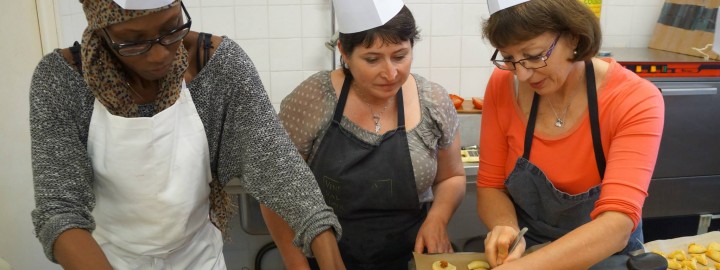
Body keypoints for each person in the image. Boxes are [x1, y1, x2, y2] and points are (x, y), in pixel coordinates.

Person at [28, 0, 345, 269]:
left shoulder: (217, 65)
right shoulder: (62, 80)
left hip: (200, 260)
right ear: (101, 31)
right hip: (104, 260)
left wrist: (325, 246)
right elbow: (59, 212)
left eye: (171, 28)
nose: (158, 55)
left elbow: (276, 164)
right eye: (133, 40)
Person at [259, 0, 467, 269]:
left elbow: (452, 176)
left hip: (411, 258)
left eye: (400, 56)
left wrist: (438, 217)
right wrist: (297, 266)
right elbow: (277, 189)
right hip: (325, 259)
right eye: (372, 59)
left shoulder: (433, 101)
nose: (391, 73)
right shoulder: (314, 98)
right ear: (344, 52)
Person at [474, 0, 665, 269]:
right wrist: (505, 226)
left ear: (573, 36)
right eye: (509, 58)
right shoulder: (503, 85)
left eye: (534, 55)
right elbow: (491, 185)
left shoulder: (634, 99)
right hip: (527, 250)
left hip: (607, 256)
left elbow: (617, 222)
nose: (523, 73)